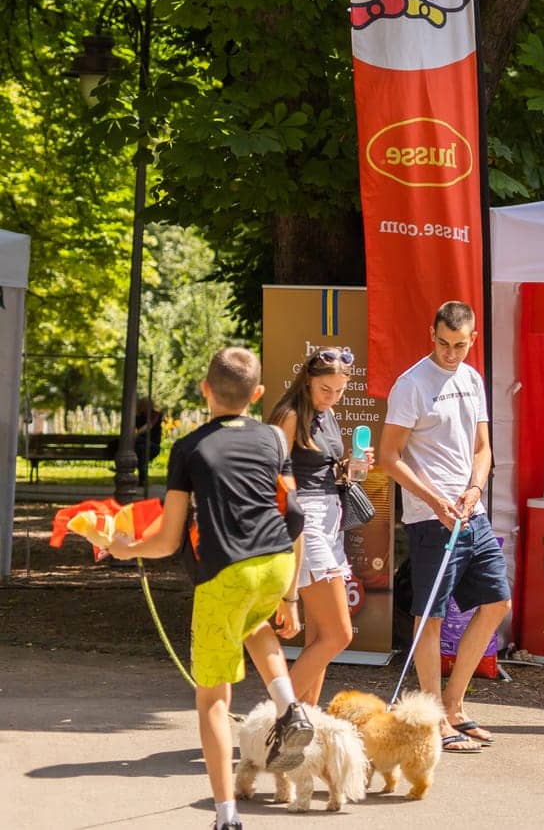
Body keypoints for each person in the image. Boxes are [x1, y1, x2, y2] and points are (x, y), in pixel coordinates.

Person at [109, 346, 313, 830]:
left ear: (205, 390)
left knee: (213, 702)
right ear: (257, 395)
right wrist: (290, 597)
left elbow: (167, 539)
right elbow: (296, 516)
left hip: (226, 573)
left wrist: (124, 548)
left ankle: (226, 816)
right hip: (278, 563)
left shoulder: (190, 448)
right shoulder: (272, 441)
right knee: (255, 622)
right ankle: (290, 706)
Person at [377, 301, 511, 754]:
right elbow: (388, 457)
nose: (451, 353)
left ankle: (454, 707)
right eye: (443, 344)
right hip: (430, 518)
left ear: (473, 339)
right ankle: (432, 716)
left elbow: (483, 448)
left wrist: (475, 488)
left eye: (460, 345)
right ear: (430, 335)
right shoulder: (411, 384)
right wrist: (435, 501)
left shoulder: (472, 378)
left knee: (496, 603)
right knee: (429, 617)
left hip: (472, 512)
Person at [268, 345, 364, 705]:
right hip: (304, 520)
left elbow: (323, 467)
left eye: (339, 391)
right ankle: (276, 715)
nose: (332, 398)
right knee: (339, 635)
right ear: (308, 381)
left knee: (321, 636)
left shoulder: (328, 414)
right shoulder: (289, 415)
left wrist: (351, 466)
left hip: (330, 519)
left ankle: (304, 721)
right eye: (326, 390)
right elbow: (270, 475)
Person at [132, 396, 164, 496]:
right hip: (141, 446)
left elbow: (149, 425)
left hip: (152, 445)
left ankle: (141, 477)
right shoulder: (138, 416)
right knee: (140, 449)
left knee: (139, 445)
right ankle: (143, 478)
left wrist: (136, 435)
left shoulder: (155, 414)